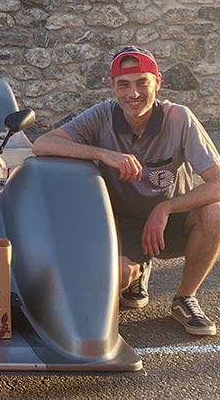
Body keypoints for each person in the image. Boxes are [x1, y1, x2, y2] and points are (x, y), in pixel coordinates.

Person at [32, 46, 220, 336]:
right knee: (114, 277)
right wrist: (104, 154)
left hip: (173, 218)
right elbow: (42, 144)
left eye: (142, 82)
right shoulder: (102, 115)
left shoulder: (179, 118)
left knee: (216, 213)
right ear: (113, 87)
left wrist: (165, 208)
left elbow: (217, 182)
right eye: (124, 85)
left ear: (157, 81)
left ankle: (185, 298)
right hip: (125, 224)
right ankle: (136, 272)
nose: (133, 94)